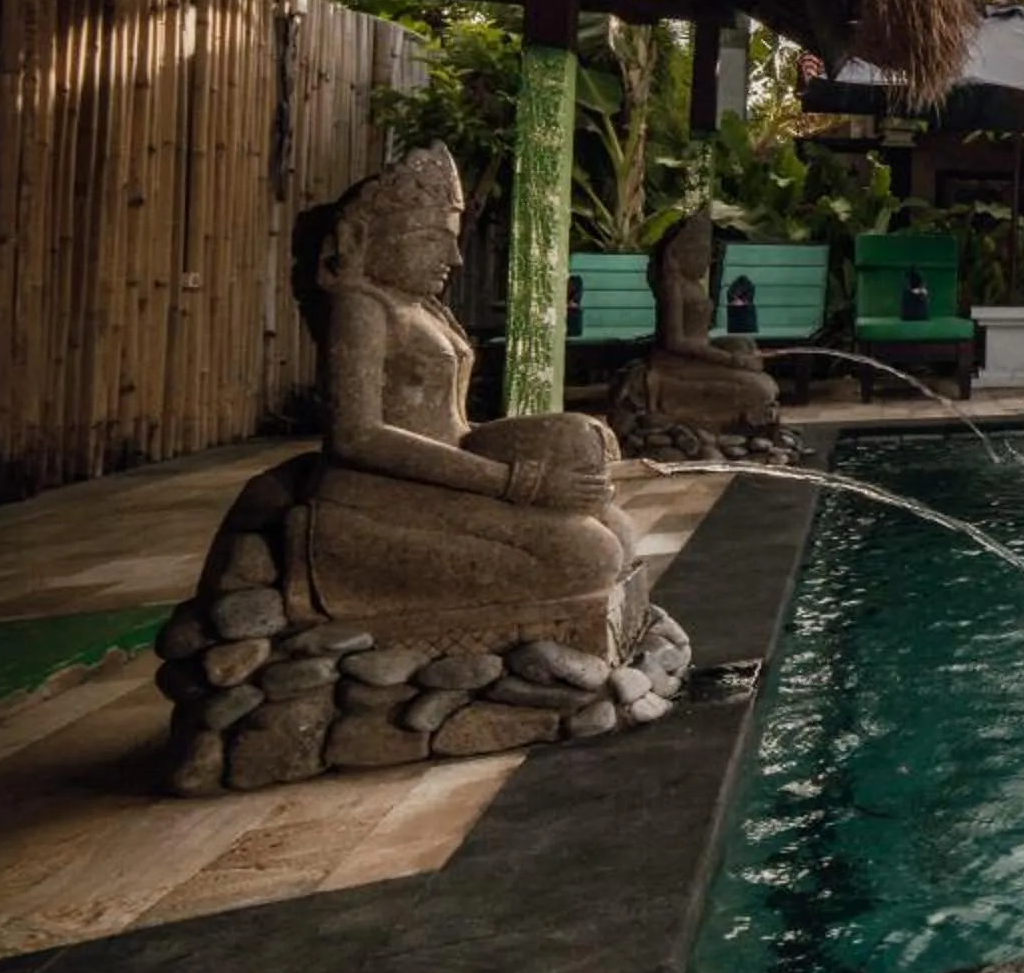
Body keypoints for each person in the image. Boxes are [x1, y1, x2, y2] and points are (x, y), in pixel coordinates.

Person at [299, 145, 636, 632]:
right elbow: (356, 436)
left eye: (451, 241)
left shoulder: (425, 307)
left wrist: (559, 449)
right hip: (389, 488)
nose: (454, 257)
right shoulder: (361, 307)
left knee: (602, 492)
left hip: (450, 460)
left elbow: (452, 420)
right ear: (365, 238)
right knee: (594, 553)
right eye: (434, 240)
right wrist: (519, 482)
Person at [635, 208, 782, 427]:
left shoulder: (692, 285)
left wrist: (737, 350)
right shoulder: (672, 287)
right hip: (679, 363)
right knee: (762, 389)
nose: (707, 260)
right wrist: (729, 359)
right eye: (699, 252)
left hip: (701, 354)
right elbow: (675, 341)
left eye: (708, 252)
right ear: (675, 254)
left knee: (751, 357)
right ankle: (685, 407)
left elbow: (703, 334)